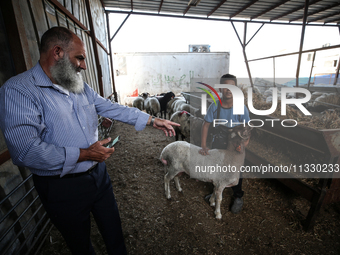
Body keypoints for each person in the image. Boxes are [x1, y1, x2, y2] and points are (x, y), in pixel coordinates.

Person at [0, 27, 179, 255]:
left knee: (114, 231)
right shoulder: (19, 91)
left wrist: (152, 120)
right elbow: (25, 151)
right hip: (61, 186)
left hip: (98, 175)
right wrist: (84, 154)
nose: (83, 65)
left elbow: (110, 107)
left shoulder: (78, 86)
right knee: (80, 244)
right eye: (80, 58)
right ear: (57, 52)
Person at [199, 74, 250, 214]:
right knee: (217, 167)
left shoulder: (241, 107)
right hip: (219, 141)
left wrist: (244, 144)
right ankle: (216, 191)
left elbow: (246, 128)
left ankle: (238, 196)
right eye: (225, 87)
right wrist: (204, 145)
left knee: (236, 170)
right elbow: (206, 125)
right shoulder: (215, 106)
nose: (229, 90)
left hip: (235, 144)